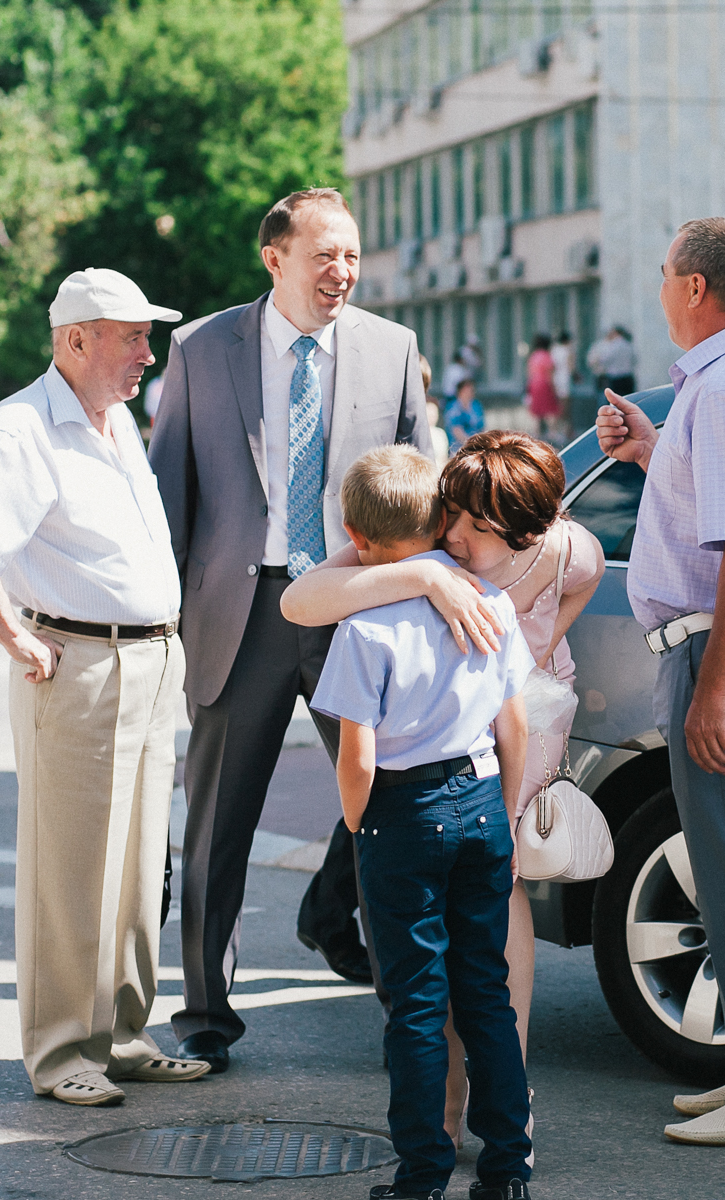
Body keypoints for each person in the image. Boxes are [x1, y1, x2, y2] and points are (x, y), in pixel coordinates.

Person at [148, 187, 452, 1074]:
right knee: (217, 828)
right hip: (238, 617)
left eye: (352, 255)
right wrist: (165, 621)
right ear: (274, 258)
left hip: (352, 609)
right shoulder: (203, 349)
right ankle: (205, 1018)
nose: (343, 272)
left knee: (390, 808)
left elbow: (420, 487)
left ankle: (408, 1014)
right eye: (325, 255)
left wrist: (421, 602)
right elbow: (173, 488)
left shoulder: (391, 349)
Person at [0, 267, 212, 1106]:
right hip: (81, 663)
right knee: (69, 871)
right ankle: (60, 1053)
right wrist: (15, 635)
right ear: (75, 340)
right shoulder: (22, 427)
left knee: (133, 868)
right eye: (131, 336)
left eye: (147, 336)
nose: (147, 354)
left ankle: (122, 1035)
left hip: (150, 660)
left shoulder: (116, 418)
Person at [281, 430, 604, 1155]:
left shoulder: (563, 551)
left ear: (524, 532)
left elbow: (583, 582)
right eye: (449, 515)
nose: (451, 534)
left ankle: (492, 1106)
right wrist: (425, 577)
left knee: (478, 953)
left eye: (471, 526)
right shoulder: (440, 561)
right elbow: (303, 600)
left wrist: (543, 650)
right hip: (457, 743)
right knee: (453, 959)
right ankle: (464, 1112)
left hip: (503, 740)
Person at [310, 444, 534, 1200]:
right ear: (442, 518)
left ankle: (422, 1175)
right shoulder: (489, 604)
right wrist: (501, 815)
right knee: (485, 993)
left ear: (353, 531)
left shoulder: (364, 629)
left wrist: (357, 822)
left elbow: (358, 756)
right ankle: (508, 1166)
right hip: (480, 800)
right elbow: (516, 727)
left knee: (415, 1005)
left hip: (403, 813)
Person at [595, 217, 725, 1147]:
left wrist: (714, 688)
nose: (659, 293)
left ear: (693, 288)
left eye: (663, 277)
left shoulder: (717, 391)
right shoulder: (702, 396)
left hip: (709, 651)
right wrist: (647, 450)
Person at [525, 334, 560, 439]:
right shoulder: (547, 356)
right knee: (550, 410)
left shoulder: (533, 356)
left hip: (533, 385)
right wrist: (554, 389)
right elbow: (550, 375)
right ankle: (552, 432)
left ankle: (536, 434)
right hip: (545, 385)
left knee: (536, 411)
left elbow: (529, 373)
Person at [586, 326, 636, 398]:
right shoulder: (628, 345)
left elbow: (604, 359)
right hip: (628, 377)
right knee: (629, 400)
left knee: (615, 401)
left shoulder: (613, 346)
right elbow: (634, 360)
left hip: (615, 377)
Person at [443, 377, 484, 452]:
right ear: (460, 391)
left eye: (471, 390)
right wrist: (471, 444)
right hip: (458, 448)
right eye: (466, 390)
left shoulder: (476, 405)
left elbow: (482, 426)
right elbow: (456, 430)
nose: (469, 393)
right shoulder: (453, 407)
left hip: (477, 445)